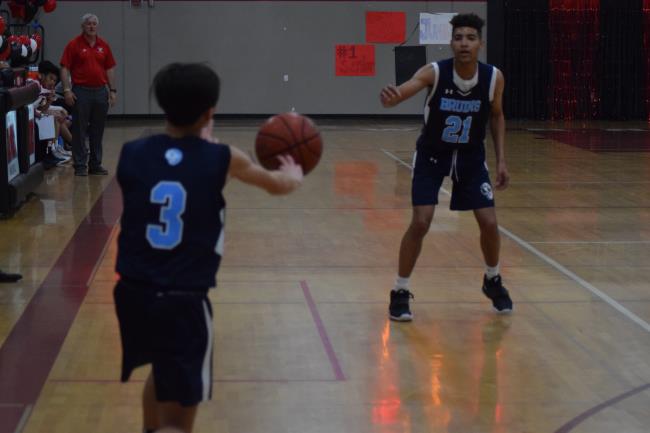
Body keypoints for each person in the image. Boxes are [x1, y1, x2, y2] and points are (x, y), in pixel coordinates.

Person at [113, 63, 303, 433]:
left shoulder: (131, 153)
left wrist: (195, 148)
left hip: (133, 293)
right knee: (178, 422)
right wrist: (293, 175)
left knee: (160, 369)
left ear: (163, 106)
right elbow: (276, 185)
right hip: (182, 298)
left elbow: (171, 169)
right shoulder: (223, 158)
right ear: (209, 112)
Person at [379, 13, 512, 321]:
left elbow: (497, 116)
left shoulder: (493, 77)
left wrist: (502, 160)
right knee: (421, 222)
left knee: (489, 222)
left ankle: (492, 279)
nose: (464, 43)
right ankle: (400, 291)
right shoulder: (435, 72)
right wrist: (393, 98)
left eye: (470, 38)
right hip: (432, 155)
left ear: (480, 44)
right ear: (451, 43)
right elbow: (407, 88)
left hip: (470, 157)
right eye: (458, 38)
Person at [60, 13, 117, 176]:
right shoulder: (73, 45)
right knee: (79, 129)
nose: (91, 26)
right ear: (82, 26)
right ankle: (80, 165)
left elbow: (109, 68)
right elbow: (64, 68)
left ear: (97, 26)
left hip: (100, 92)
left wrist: (112, 90)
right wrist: (67, 90)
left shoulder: (104, 45)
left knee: (98, 130)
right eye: (88, 24)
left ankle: (95, 164)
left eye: (94, 24)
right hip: (81, 91)